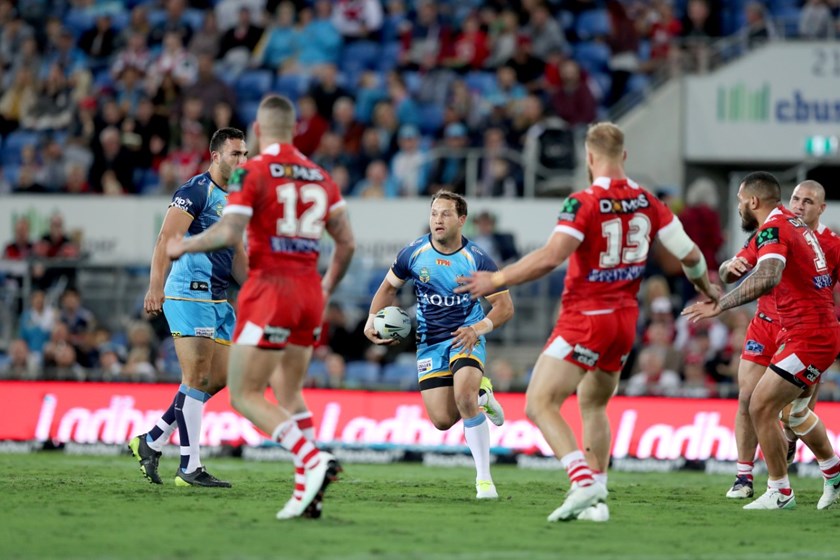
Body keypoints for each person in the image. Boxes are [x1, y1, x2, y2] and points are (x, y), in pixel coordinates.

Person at [457, 122, 718, 522]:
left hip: (586, 318)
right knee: (594, 404)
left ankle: (582, 481)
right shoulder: (650, 200)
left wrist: (496, 279)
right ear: (624, 156)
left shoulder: (583, 202)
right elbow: (690, 254)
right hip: (626, 322)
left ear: (590, 157)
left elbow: (550, 256)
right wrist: (706, 288)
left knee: (540, 403)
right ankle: (597, 500)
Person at [166, 95, 355, 520]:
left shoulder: (253, 171)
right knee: (289, 392)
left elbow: (229, 229)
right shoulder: (321, 176)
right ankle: (308, 494)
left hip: (271, 291)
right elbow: (347, 243)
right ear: (293, 129)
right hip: (310, 292)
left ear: (259, 128)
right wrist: (325, 288)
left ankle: (311, 457)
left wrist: (185, 243)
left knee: (244, 394)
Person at [684, 173, 840, 510]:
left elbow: (769, 276)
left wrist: (720, 304)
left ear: (752, 202)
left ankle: (780, 491)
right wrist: (729, 269)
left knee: (762, 405)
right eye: (797, 199)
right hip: (795, 330)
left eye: (740, 200)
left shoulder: (777, 228)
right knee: (790, 414)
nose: (739, 205)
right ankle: (831, 474)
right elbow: (739, 267)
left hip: (808, 334)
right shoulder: (787, 225)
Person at [365, 191, 514, 500]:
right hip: (430, 343)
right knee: (442, 421)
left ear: (462, 220)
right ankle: (482, 395)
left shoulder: (478, 259)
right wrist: (371, 318)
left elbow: (505, 307)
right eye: (434, 213)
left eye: (446, 214)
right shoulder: (414, 253)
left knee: (463, 394)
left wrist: (478, 328)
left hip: (465, 336)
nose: (438, 220)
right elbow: (387, 289)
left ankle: (484, 480)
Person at [128, 127, 248, 488]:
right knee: (196, 376)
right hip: (186, 293)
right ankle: (189, 466)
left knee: (219, 377)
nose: (242, 161)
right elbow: (167, 239)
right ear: (215, 156)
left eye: (245, 154)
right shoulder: (196, 192)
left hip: (217, 298)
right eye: (235, 154)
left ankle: (150, 441)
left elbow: (238, 253)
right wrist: (155, 287)